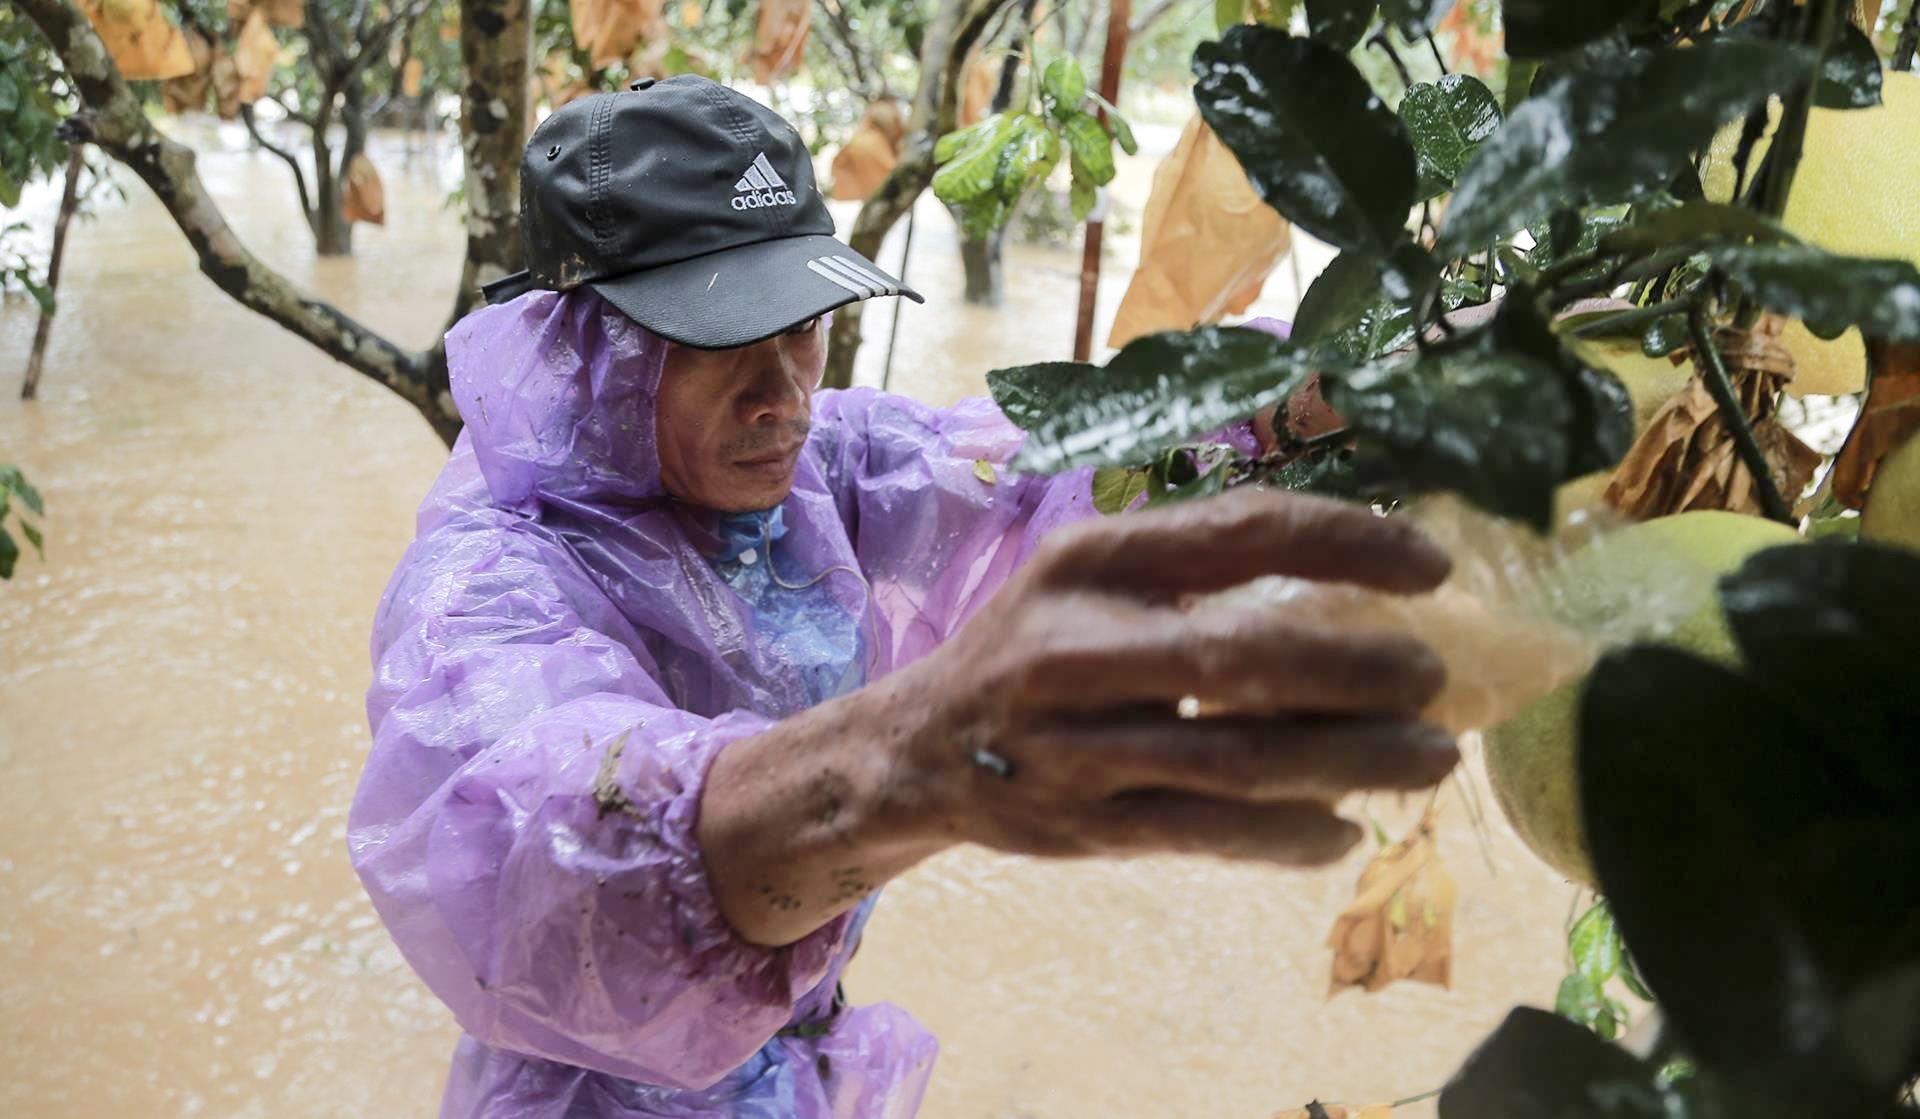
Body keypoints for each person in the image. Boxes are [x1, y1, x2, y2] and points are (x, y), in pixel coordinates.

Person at [349, 76, 1457, 1119]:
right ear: (594, 344)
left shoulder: (823, 472)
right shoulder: (488, 580)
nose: (783, 389)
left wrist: (1290, 403)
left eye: (804, 325)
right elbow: (542, 837)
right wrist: (906, 764)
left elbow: (1034, 460)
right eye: (725, 337)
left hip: (790, 1064)